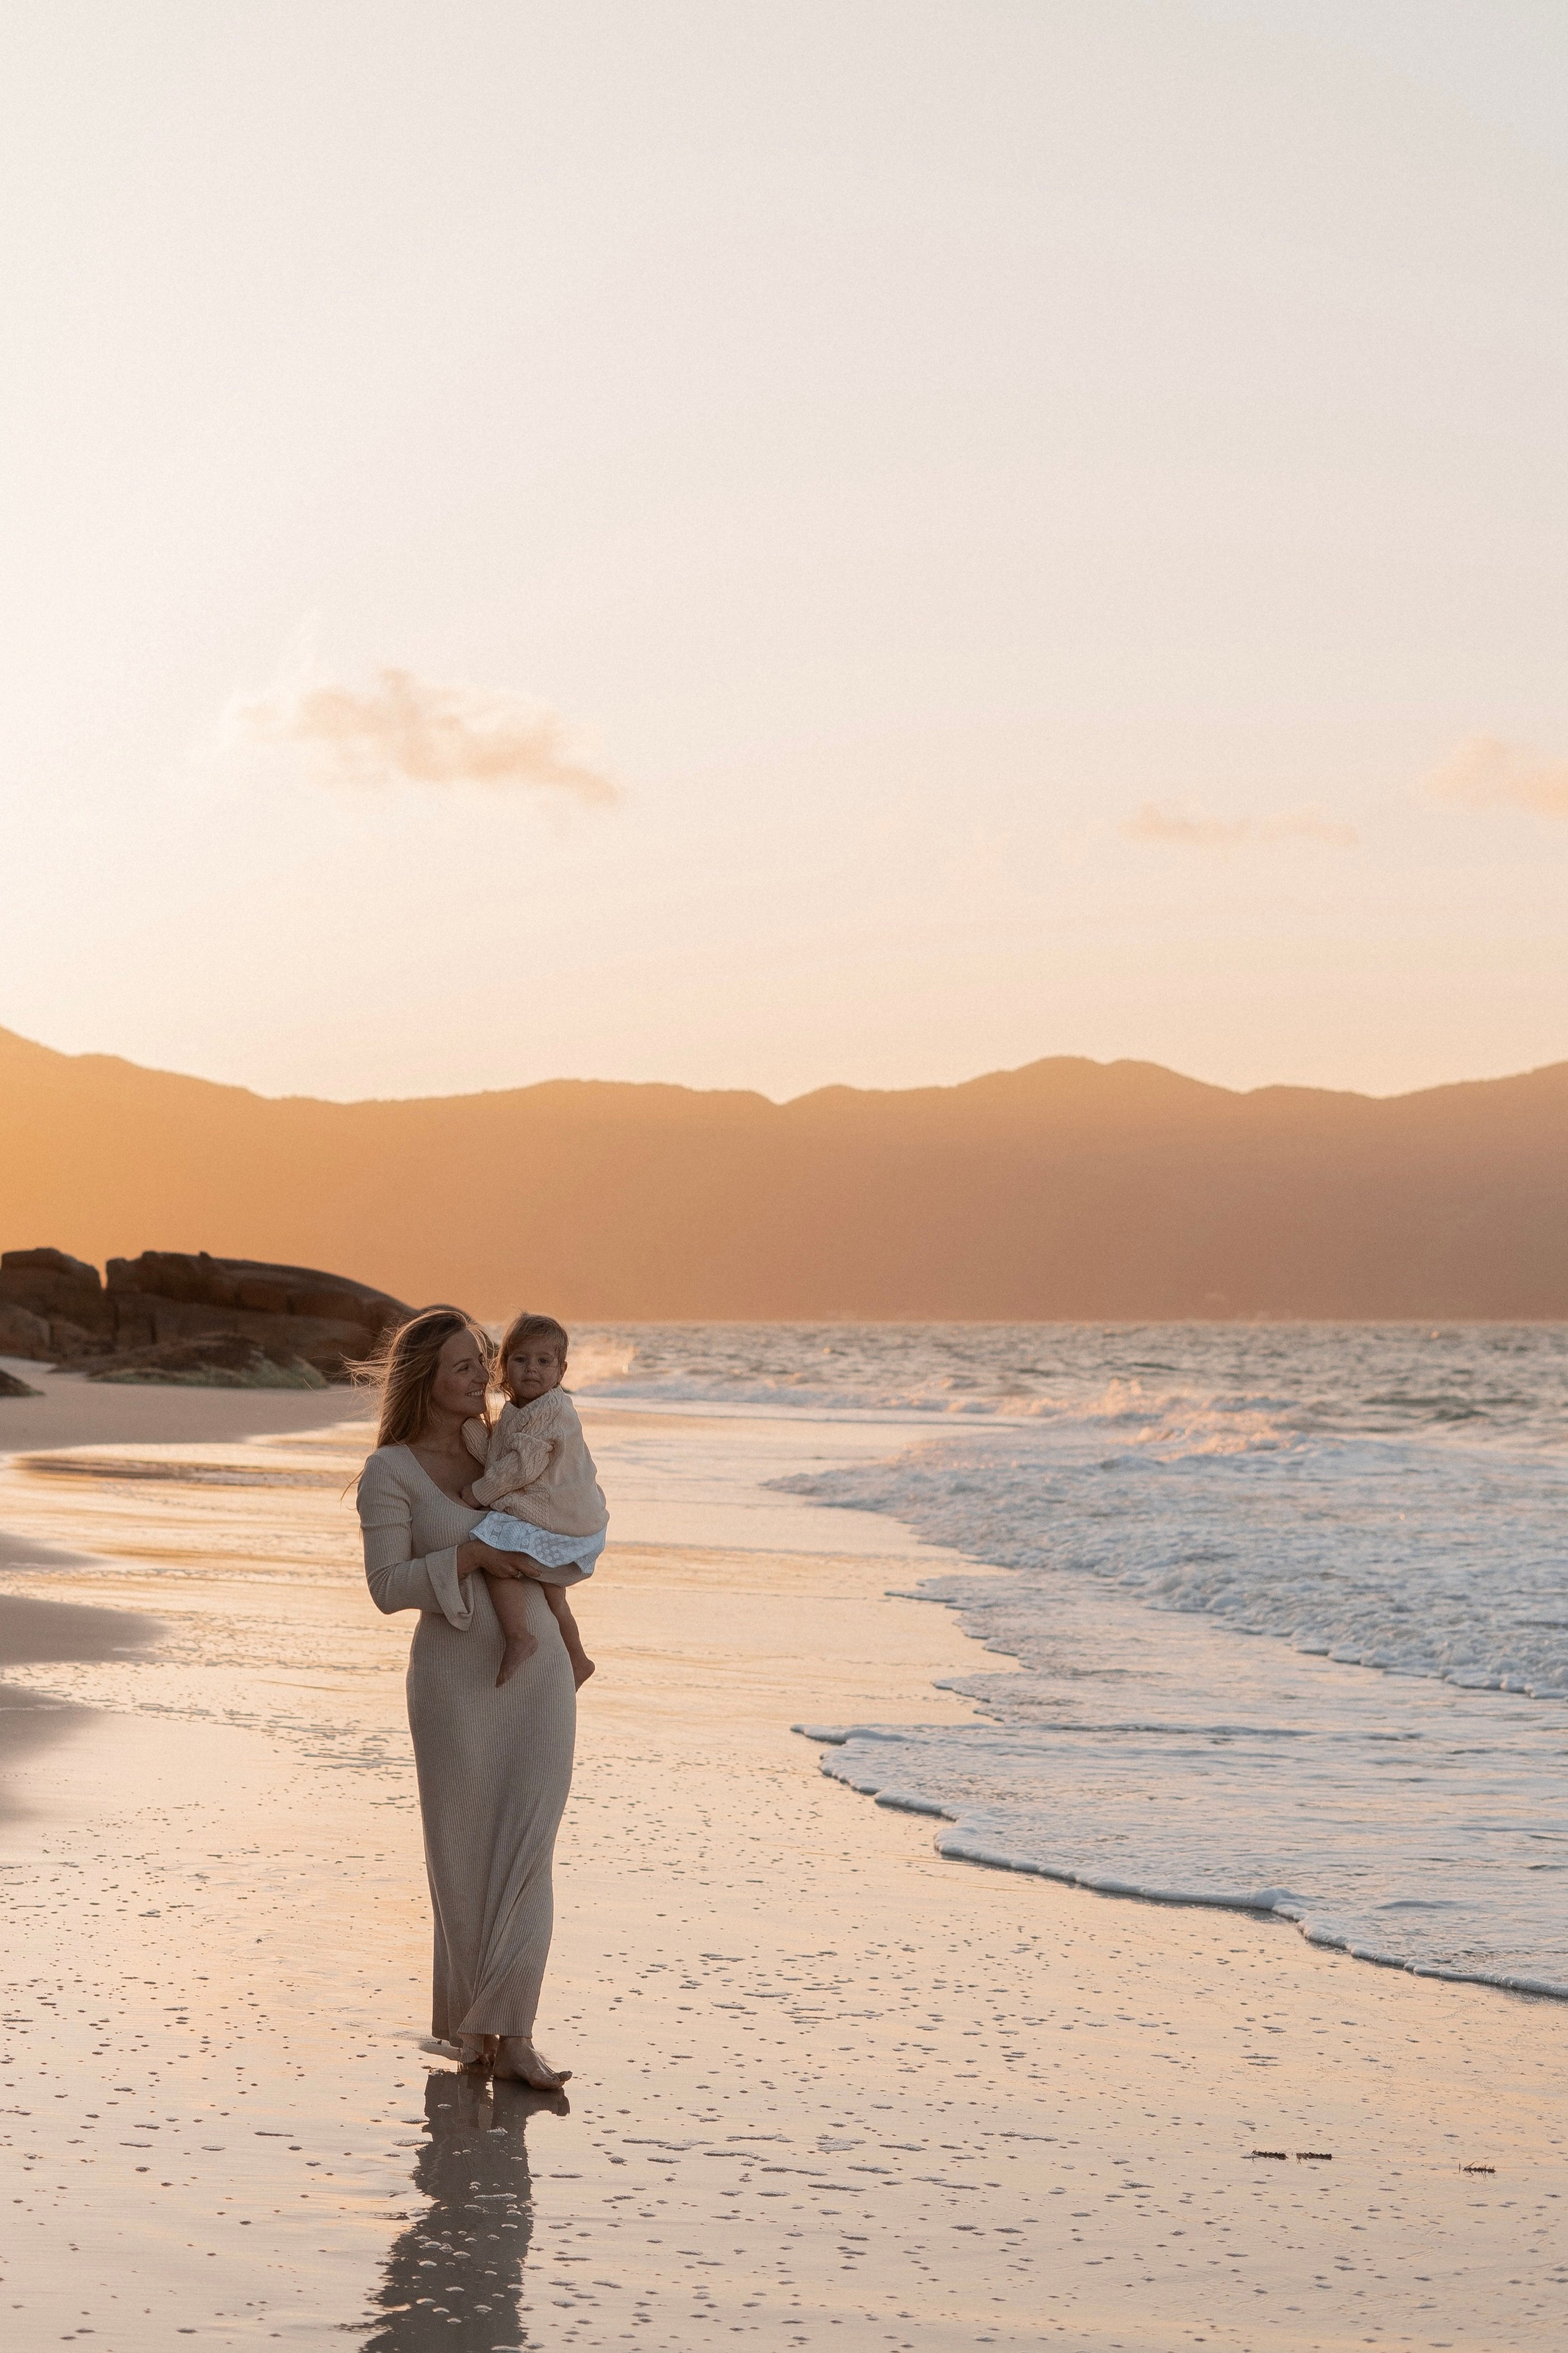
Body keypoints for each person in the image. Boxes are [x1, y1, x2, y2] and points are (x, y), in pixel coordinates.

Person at [356, 1307, 583, 2088]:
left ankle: (513, 2034)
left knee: (529, 1851)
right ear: (424, 1376)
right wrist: (471, 1551)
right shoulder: (390, 1471)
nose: (480, 1378)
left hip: (539, 1671)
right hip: (453, 1680)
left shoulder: (512, 1442)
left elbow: (568, 1519)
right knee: (461, 1856)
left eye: (481, 1362)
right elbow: (387, 1586)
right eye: (462, 1365)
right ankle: (473, 2029)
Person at [461, 1311, 605, 1690]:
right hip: (571, 1519)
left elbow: (522, 1466)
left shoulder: (551, 1410)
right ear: (503, 1365)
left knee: (494, 1548)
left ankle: (518, 1635)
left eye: (544, 1362)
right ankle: (578, 1658)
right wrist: (471, 1432)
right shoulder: (519, 1409)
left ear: (561, 1371)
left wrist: (478, 1494)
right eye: (521, 1359)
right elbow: (500, 1453)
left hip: (562, 1514)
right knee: (553, 1593)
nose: (531, 1370)